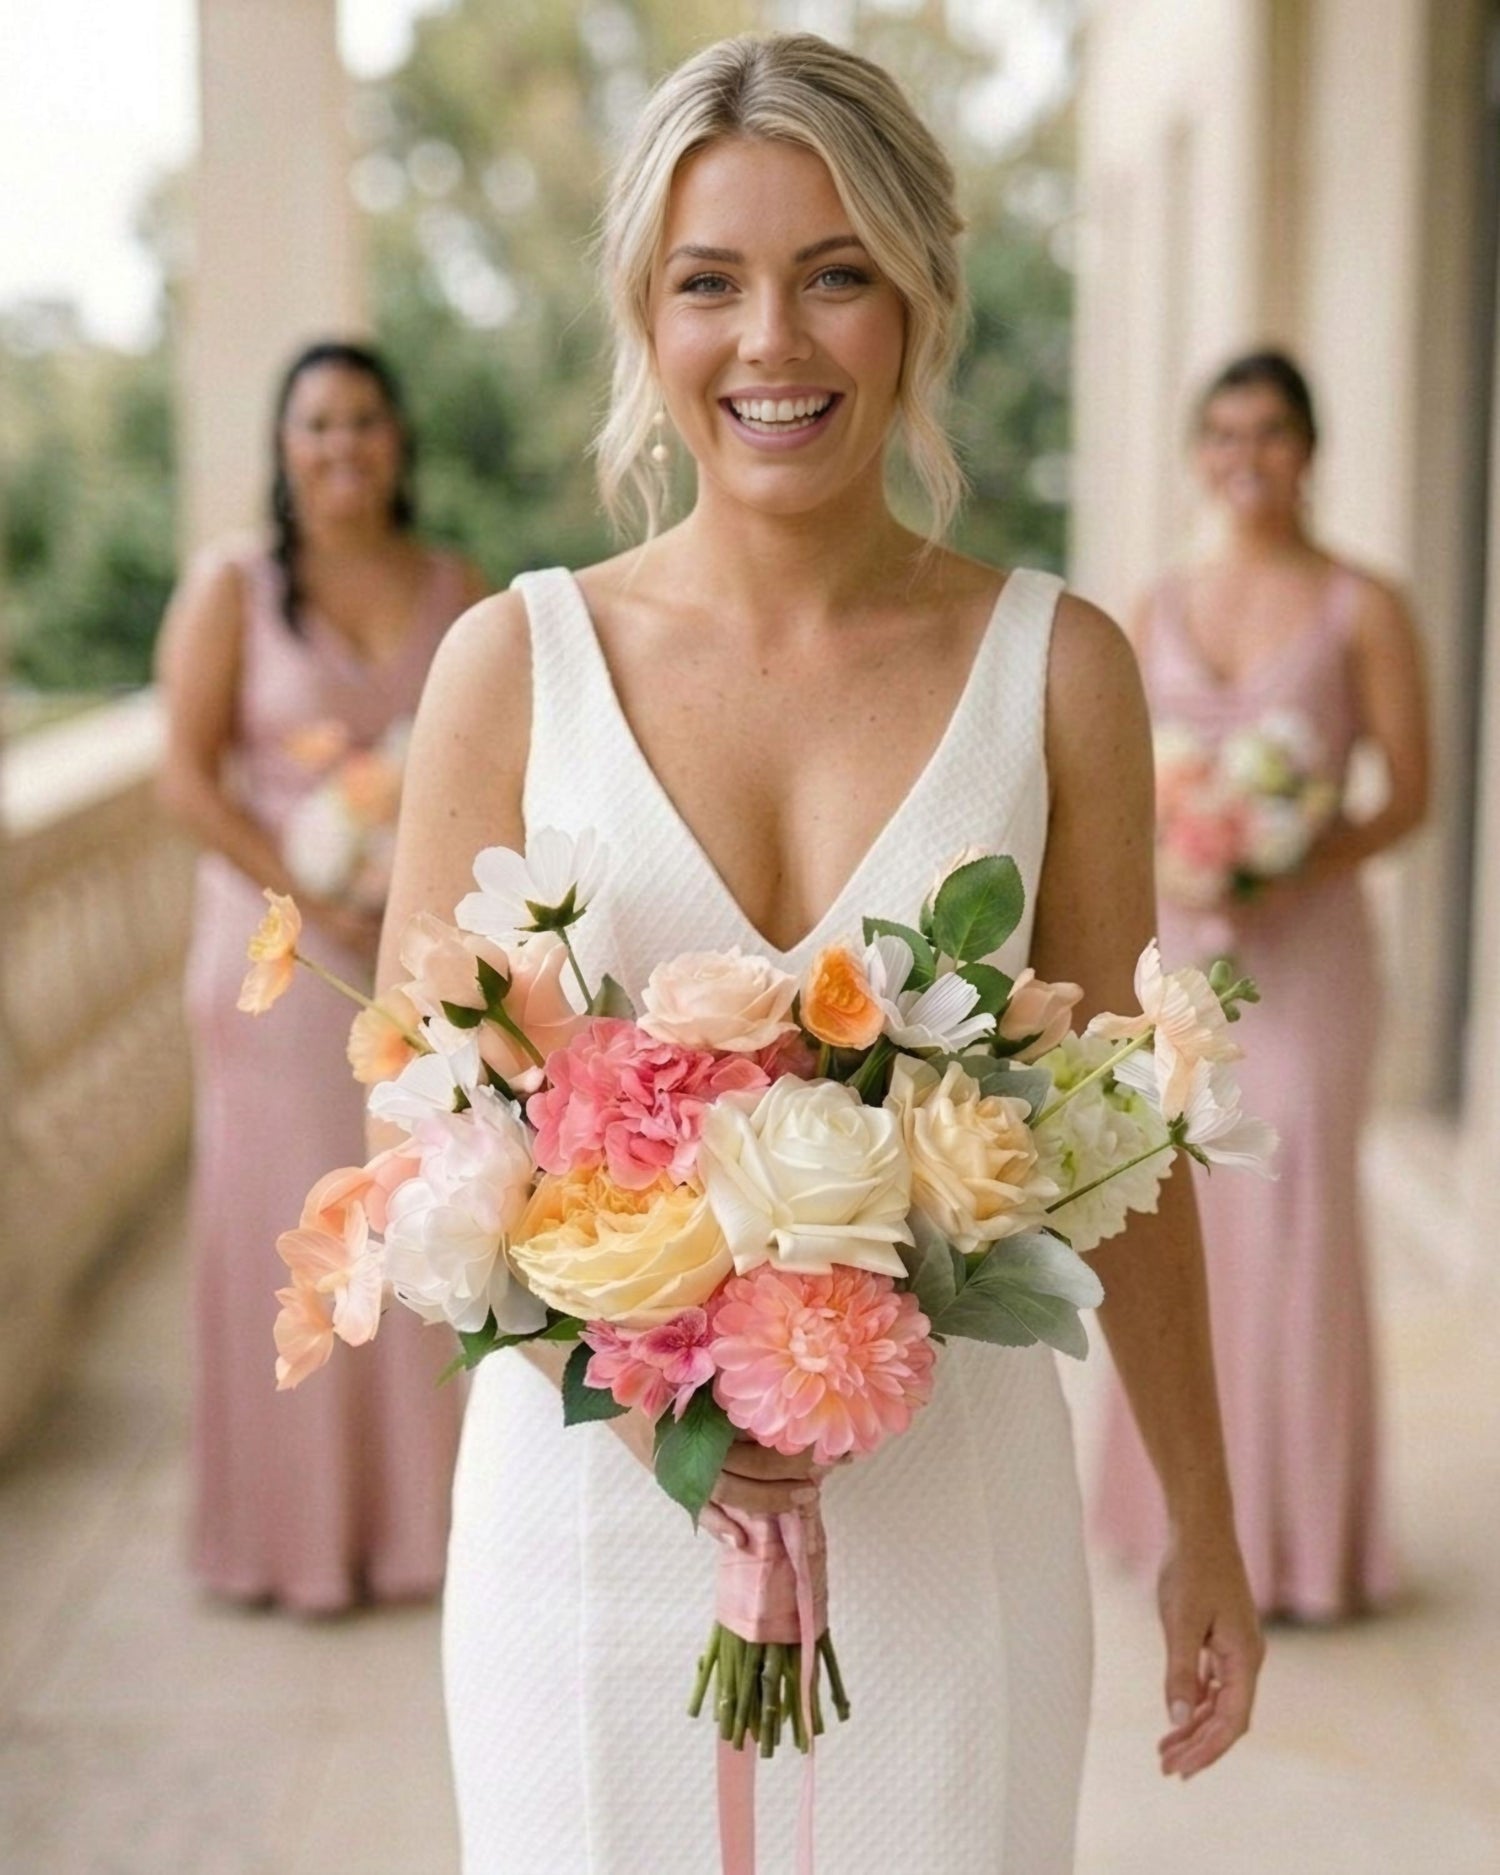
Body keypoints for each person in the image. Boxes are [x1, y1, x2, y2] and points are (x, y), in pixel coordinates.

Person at [379, 36, 1261, 1871]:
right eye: (713, 282)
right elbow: (422, 1134)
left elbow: (1130, 1155)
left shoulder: (1061, 670)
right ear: (647, 311)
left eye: (835, 272)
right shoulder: (510, 669)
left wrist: (1203, 1513)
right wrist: (639, 1408)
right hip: (586, 1532)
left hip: (954, 1529)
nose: (772, 342)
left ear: (920, 300)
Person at [1093, 349, 1430, 1621]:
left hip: (1309, 951)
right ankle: (1170, 1516)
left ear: (1310, 447)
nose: (1247, 455)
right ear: (1196, 452)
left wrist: (1296, 853)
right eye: (1223, 431)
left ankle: (1300, 1543)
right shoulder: (1153, 603)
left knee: (1293, 1223)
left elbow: (1411, 789)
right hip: (1180, 958)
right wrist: (1177, 848)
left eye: (1272, 431)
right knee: (1178, 1220)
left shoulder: (1363, 606)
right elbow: (1115, 779)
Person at [157, 339, 488, 1612]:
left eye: (365, 420)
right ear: (284, 448)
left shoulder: (459, 587)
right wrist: (310, 898)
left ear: (398, 440)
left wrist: (405, 896)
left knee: (417, 1215)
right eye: (318, 425)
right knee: (289, 1238)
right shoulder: (229, 590)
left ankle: (419, 1533)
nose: (342, 446)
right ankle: (289, 1541)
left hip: (412, 962)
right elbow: (186, 776)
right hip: (274, 969)